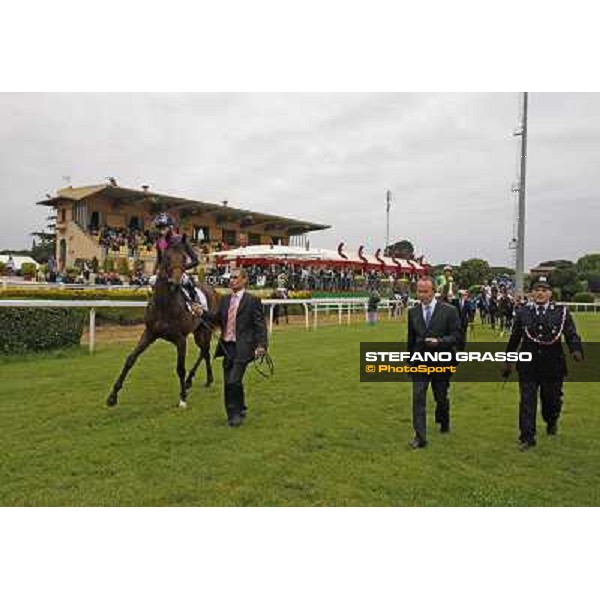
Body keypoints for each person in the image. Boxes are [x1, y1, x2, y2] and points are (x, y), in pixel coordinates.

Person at [502, 276, 584, 451]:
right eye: (537, 290)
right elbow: (515, 337)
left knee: (551, 400)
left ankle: (551, 420)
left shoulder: (561, 312)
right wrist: (508, 360)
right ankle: (527, 437)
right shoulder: (523, 312)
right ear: (531, 293)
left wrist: (575, 350)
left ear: (550, 293)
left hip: (553, 365)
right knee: (527, 401)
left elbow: (571, 334)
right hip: (528, 365)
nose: (540, 293)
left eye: (544, 290)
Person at [202, 268, 268, 427]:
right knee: (229, 382)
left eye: (235, 277)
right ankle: (239, 408)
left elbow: (260, 326)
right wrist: (201, 312)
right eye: (230, 277)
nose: (231, 280)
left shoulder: (252, 300)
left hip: (243, 347)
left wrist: (261, 345)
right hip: (227, 347)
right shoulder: (224, 300)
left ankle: (234, 416)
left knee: (233, 380)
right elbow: (216, 318)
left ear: (244, 280)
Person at [407, 277, 461, 449]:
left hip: (441, 361)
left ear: (433, 291)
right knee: (418, 398)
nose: (421, 295)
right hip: (420, 362)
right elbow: (411, 339)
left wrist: (439, 342)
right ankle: (420, 436)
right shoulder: (413, 312)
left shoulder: (449, 311)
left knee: (441, 397)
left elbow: (457, 337)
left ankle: (444, 420)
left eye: (425, 291)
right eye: (419, 291)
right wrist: (409, 361)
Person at [152, 213, 203, 311]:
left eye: (163, 227)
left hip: (179, 272)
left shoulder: (181, 239)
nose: (161, 230)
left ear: (170, 227)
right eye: (159, 227)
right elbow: (159, 260)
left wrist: (182, 268)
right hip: (164, 274)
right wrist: (154, 273)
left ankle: (196, 305)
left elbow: (195, 261)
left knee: (188, 283)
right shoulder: (160, 242)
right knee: (152, 283)